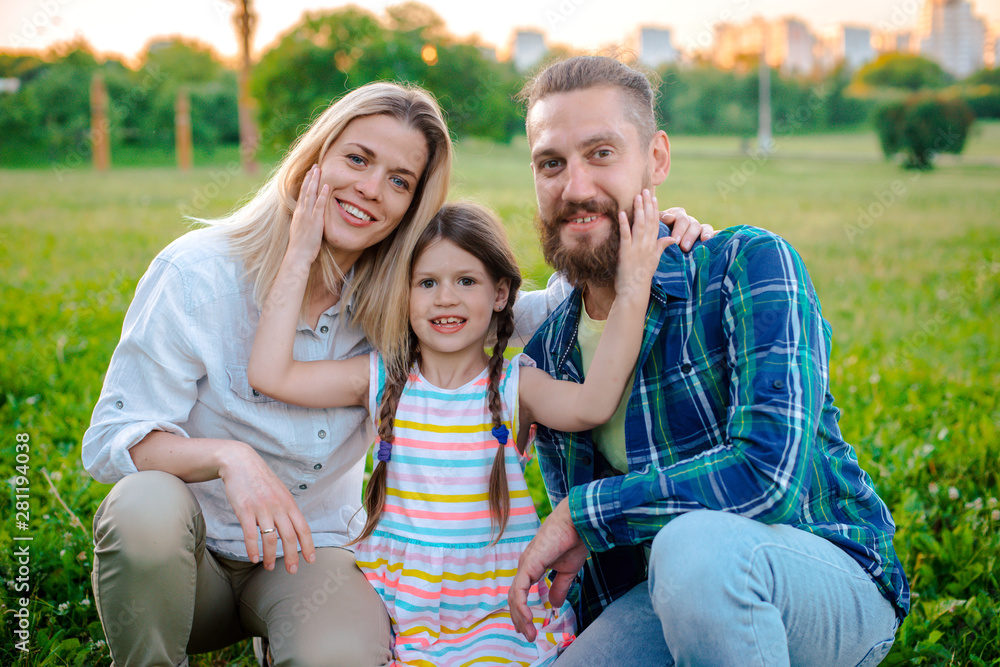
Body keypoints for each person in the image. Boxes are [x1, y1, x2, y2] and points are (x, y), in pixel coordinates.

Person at [80, 78, 711, 666]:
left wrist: (650, 232)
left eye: (400, 180)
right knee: (144, 507)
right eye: (356, 160)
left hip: (309, 558)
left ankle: (288, 634)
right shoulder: (197, 274)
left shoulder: (398, 296)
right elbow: (113, 441)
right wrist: (228, 457)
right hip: (189, 570)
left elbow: (537, 306)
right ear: (315, 158)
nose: (371, 191)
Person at [507, 56, 910, 666]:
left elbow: (768, 479)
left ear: (656, 159)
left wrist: (583, 514)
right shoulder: (551, 349)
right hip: (657, 599)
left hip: (816, 574)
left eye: (602, 153)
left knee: (692, 547)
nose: (576, 188)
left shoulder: (745, 267)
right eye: (551, 163)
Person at [245, 188, 672, 665]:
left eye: (466, 280)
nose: (445, 298)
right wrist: (300, 255)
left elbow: (593, 404)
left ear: (501, 293)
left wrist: (633, 288)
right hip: (397, 601)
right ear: (402, 294)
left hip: (494, 608)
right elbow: (269, 374)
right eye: (426, 283)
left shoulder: (517, 386)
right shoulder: (381, 378)